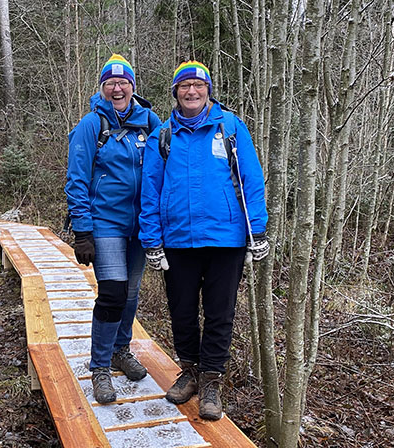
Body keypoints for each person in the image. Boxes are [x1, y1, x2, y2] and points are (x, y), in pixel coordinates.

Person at [139, 61, 269, 420]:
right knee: (181, 311)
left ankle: (212, 380)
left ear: (208, 90)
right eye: (185, 86)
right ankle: (190, 371)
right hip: (178, 240)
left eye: (198, 86)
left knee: (219, 313)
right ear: (176, 92)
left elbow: (251, 181)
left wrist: (256, 230)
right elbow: (150, 191)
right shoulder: (162, 137)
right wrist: (151, 239)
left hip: (226, 239)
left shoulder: (231, 128)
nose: (191, 92)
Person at [65, 54, 161, 404]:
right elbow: (76, 179)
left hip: (141, 224)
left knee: (132, 293)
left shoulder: (150, 122)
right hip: (105, 222)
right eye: (110, 83)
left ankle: (121, 349)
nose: (117, 88)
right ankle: (100, 367)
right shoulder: (92, 125)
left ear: (133, 86)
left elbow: (167, 165)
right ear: (103, 88)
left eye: (123, 82)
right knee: (113, 294)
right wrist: (83, 231)